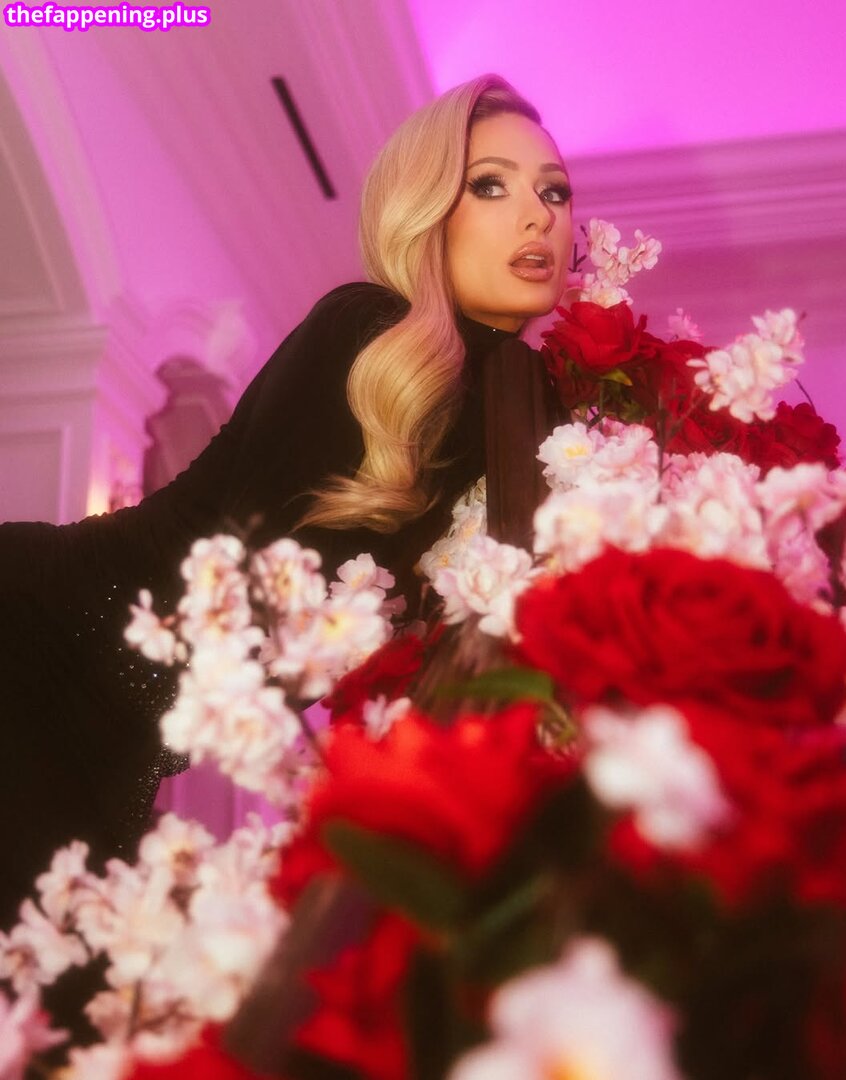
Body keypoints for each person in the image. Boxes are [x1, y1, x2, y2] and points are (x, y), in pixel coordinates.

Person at [0, 73, 574, 933]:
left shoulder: (526, 406)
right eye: (490, 185)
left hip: (123, 743)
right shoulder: (366, 329)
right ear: (425, 212)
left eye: (554, 192)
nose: (538, 216)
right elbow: (250, 584)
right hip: (37, 642)